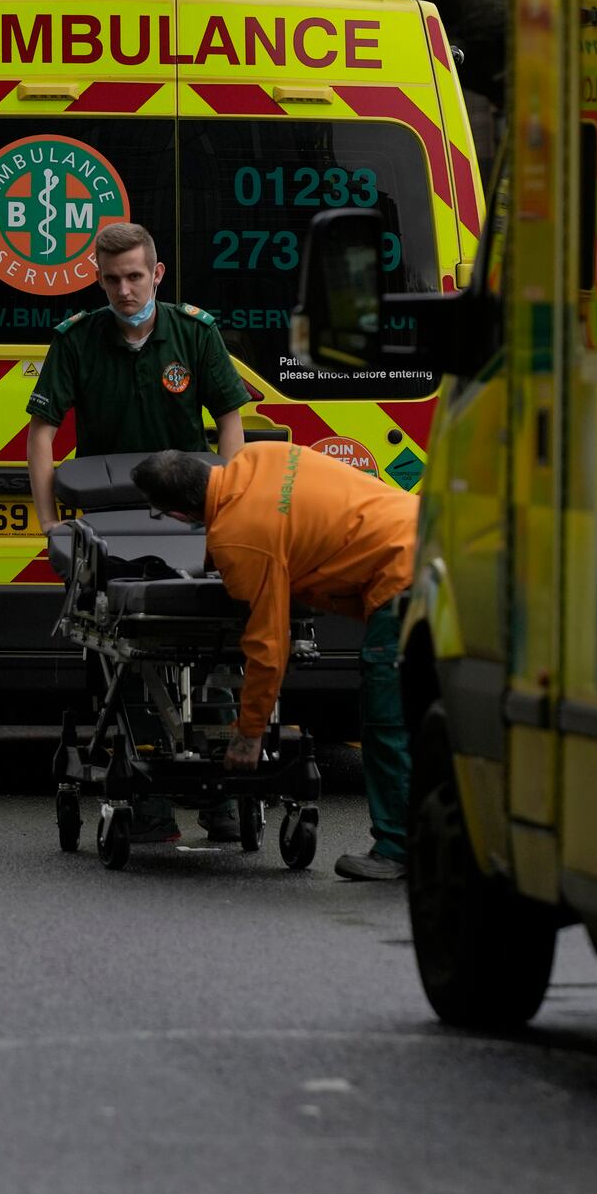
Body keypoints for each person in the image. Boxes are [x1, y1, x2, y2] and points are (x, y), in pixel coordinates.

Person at [28, 221, 255, 844]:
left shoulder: (194, 333)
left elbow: (230, 419)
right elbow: (42, 435)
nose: (124, 290)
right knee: (122, 648)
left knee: (212, 644)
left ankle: (219, 798)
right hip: (110, 521)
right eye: (111, 279)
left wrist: (231, 507)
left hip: (188, 513)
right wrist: (53, 526)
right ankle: (146, 795)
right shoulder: (77, 340)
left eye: (135, 276)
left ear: (156, 274)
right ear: (98, 279)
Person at [130, 443, 417, 882]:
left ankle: (397, 848)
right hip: (430, 535)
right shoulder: (260, 455)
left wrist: (249, 734)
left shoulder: (240, 535)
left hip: (403, 577)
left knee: (387, 720)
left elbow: (267, 645)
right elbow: (289, 519)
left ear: (177, 514)